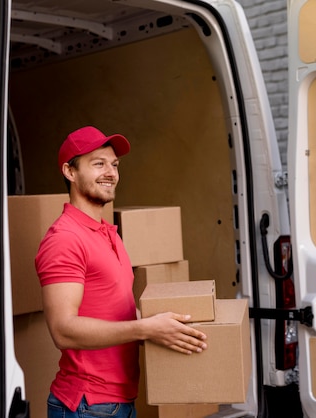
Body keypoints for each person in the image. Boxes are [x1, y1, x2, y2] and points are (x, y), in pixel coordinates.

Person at [35, 126, 208, 418]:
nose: (111, 173)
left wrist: (161, 325)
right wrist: (145, 328)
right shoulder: (65, 238)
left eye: (114, 165)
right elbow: (63, 330)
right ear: (70, 171)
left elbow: (113, 311)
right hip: (87, 405)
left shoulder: (109, 234)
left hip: (119, 402)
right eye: (98, 163)